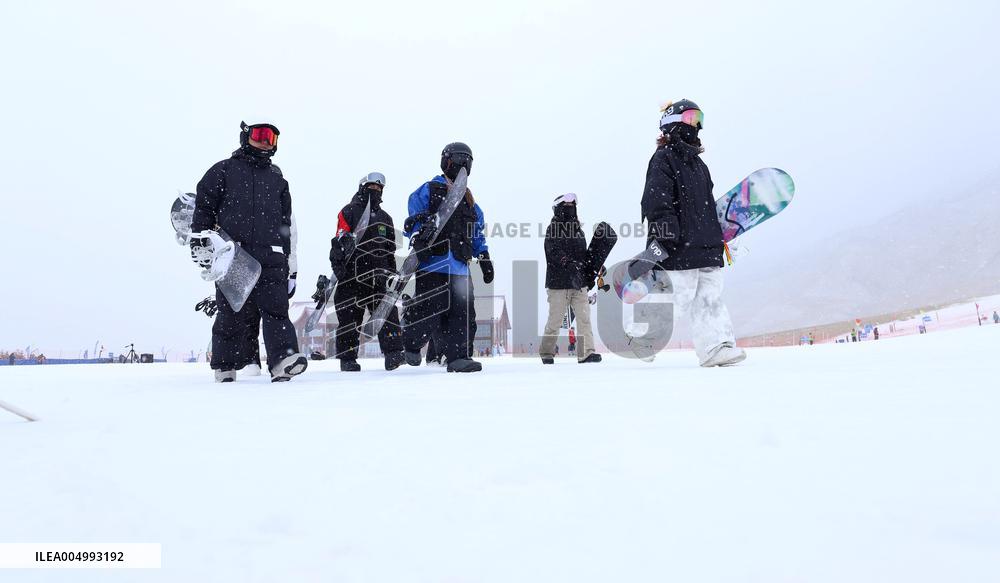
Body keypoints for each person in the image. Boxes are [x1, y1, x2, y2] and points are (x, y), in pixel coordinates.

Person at [190, 120, 307, 383]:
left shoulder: (278, 180)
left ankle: (283, 361)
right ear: (246, 136)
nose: (265, 142)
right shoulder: (223, 171)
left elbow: (285, 224)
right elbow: (204, 208)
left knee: (277, 310)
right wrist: (200, 241)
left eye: (271, 138)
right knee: (231, 310)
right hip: (234, 254)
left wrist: (288, 261)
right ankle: (225, 366)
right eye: (260, 135)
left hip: (271, 256)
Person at [640, 99, 745, 367]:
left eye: (699, 118)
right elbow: (657, 201)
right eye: (690, 117)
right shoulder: (663, 159)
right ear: (671, 123)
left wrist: (723, 237)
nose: (696, 125)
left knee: (710, 300)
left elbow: (710, 207)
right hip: (679, 246)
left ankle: (715, 347)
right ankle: (644, 338)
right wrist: (664, 236)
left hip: (708, 247)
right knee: (676, 298)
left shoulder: (700, 166)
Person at [402, 142, 491, 372]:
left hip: (461, 266)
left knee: (463, 314)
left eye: (466, 162)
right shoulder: (430, 189)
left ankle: (457, 357)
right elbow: (415, 214)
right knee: (429, 310)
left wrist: (484, 256)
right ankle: (408, 342)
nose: (462, 165)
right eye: (458, 160)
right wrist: (418, 237)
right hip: (434, 263)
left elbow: (477, 230)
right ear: (447, 162)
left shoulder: (470, 202)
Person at [330, 172, 405, 372]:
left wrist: (391, 274)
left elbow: (390, 250)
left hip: (379, 277)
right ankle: (348, 359)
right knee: (349, 319)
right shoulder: (348, 211)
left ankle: (394, 354)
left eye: (379, 188)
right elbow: (339, 239)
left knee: (387, 314)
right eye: (372, 187)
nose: (376, 191)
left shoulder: (385, 218)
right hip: (352, 276)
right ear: (363, 187)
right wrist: (339, 266)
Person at [539, 194, 601, 365]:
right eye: (566, 205)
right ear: (558, 208)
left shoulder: (578, 230)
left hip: (579, 282)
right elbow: (552, 251)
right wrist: (566, 262)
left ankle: (586, 353)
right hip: (558, 284)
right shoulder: (553, 229)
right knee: (555, 320)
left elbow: (584, 255)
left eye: (572, 205)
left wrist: (594, 266)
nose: (570, 207)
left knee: (584, 318)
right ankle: (546, 352)